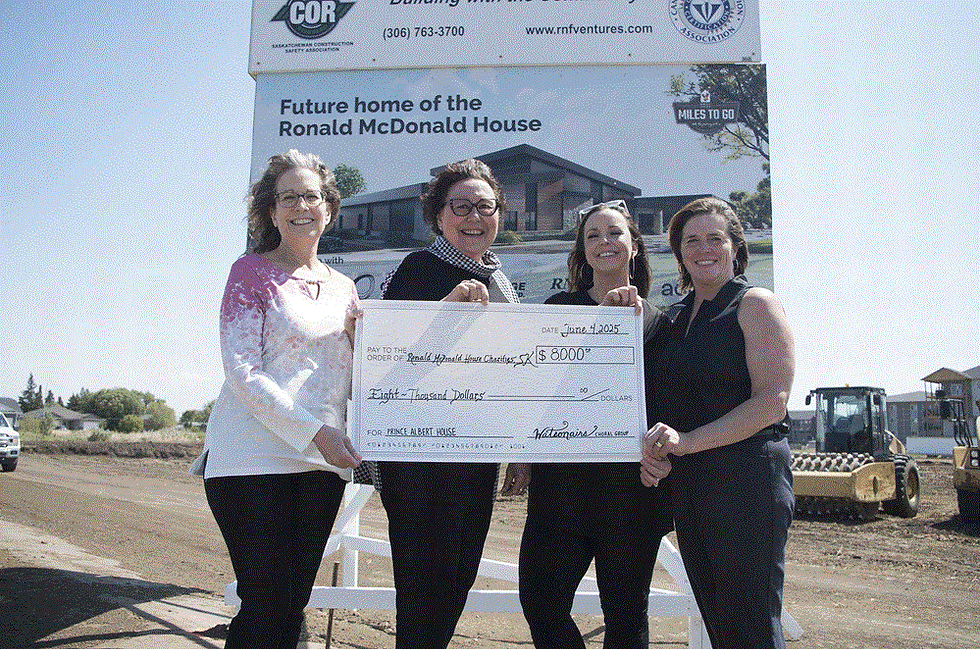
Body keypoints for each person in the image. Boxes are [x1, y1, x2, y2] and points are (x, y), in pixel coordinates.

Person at [192, 149, 362, 649]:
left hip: (319, 465)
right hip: (251, 459)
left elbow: (351, 374)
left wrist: (360, 343)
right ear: (271, 212)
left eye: (311, 195)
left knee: (291, 604)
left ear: (328, 208)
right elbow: (243, 372)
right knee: (266, 603)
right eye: (287, 197)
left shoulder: (346, 288)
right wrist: (317, 432)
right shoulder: (250, 273)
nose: (300, 205)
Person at [369, 158, 531, 649]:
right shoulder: (420, 269)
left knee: (455, 585)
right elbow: (384, 362)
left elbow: (515, 373)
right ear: (438, 215)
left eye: (485, 206)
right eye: (460, 206)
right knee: (424, 594)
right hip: (421, 459)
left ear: (499, 215)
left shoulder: (501, 283)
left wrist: (519, 447)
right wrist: (443, 312)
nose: (474, 217)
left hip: (476, 457)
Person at [518, 199, 673, 649]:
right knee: (541, 603)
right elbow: (535, 390)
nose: (604, 242)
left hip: (630, 495)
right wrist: (523, 455)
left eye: (615, 233)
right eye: (593, 235)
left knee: (625, 618)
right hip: (559, 489)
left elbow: (665, 406)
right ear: (582, 251)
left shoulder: (663, 324)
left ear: (635, 246)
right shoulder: (558, 308)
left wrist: (664, 455)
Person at [641, 197, 795, 649]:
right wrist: (659, 450)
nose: (702, 248)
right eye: (691, 240)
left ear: (734, 247)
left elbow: (772, 402)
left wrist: (685, 442)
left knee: (750, 626)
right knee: (720, 622)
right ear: (679, 252)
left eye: (715, 238)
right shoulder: (675, 318)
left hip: (748, 480)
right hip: (692, 485)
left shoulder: (755, 304)